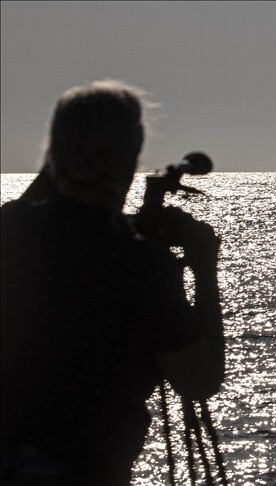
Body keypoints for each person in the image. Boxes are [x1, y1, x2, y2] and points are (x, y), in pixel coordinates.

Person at [1, 79, 225, 485]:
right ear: (130, 159)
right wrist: (204, 270)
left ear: (55, 150)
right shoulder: (141, 266)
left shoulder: (8, 231)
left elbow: (50, 215)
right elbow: (200, 381)